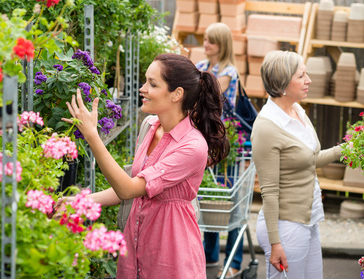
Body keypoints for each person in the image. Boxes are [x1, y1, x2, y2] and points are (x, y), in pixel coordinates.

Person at [61, 53, 229, 278]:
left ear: (176, 94)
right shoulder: (150, 126)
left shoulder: (192, 146)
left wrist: (93, 136)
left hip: (171, 259)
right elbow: (131, 187)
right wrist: (78, 203)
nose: (142, 88)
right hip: (135, 251)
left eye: (152, 83)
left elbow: (128, 189)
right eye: (145, 81)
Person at [251, 50, 343, 279]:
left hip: (308, 220)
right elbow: (269, 191)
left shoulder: (297, 110)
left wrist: (347, 148)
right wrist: (275, 243)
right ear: (282, 83)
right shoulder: (267, 127)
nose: (309, 80)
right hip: (285, 228)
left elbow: (309, 160)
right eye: (301, 76)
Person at [195, 22, 243, 279]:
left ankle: (234, 259)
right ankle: (210, 254)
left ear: (222, 45)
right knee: (210, 198)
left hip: (225, 143)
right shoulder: (201, 67)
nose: (206, 44)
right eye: (204, 39)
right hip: (206, 139)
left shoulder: (229, 71)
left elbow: (210, 96)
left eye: (211, 41)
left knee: (230, 203)